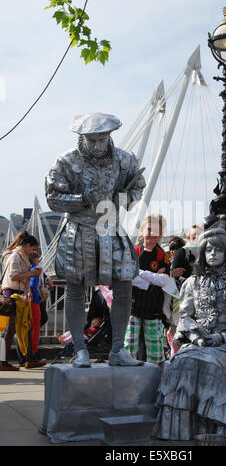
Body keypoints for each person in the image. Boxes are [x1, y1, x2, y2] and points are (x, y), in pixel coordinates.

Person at [45, 112, 146, 368]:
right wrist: (81, 200)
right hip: (79, 231)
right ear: (82, 138)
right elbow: (53, 198)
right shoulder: (66, 161)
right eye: (92, 140)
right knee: (75, 287)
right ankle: (79, 349)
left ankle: (117, 350)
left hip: (112, 228)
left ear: (110, 136)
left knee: (124, 285)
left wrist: (122, 198)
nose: (98, 146)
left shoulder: (124, 160)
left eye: (102, 139)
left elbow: (137, 188)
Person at [153, 226, 226, 443]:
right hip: (199, 342)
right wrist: (196, 337)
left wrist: (221, 338)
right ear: (202, 254)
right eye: (208, 250)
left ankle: (217, 427)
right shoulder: (192, 282)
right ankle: (180, 429)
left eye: (218, 250)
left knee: (209, 363)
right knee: (180, 362)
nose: (213, 254)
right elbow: (185, 316)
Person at [124, 214, 171, 365]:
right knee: (129, 344)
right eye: (149, 229)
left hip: (154, 307)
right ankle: (127, 374)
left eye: (155, 230)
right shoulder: (134, 252)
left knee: (155, 346)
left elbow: (164, 280)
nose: (151, 233)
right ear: (142, 230)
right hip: (133, 305)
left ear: (160, 234)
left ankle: (155, 374)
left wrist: (140, 274)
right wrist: (151, 280)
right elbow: (128, 275)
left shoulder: (162, 255)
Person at [0, 231, 41, 371]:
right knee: (14, 329)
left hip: (17, 296)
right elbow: (13, 276)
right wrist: (31, 273)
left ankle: (27, 359)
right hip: (12, 296)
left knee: (24, 327)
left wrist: (27, 290)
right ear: (27, 245)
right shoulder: (16, 257)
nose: (33, 252)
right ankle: (6, 361)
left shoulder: (20, 256)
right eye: (33, 249)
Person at [23, 252, 47, 368]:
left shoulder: (29, 268)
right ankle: (32, 355)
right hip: (34, 301)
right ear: (35, 259)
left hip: (29, 301)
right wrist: (31, 294)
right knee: (35, 327)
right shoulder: (35, 270)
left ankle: (28, 356)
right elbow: (32, 284)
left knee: (30, 327)